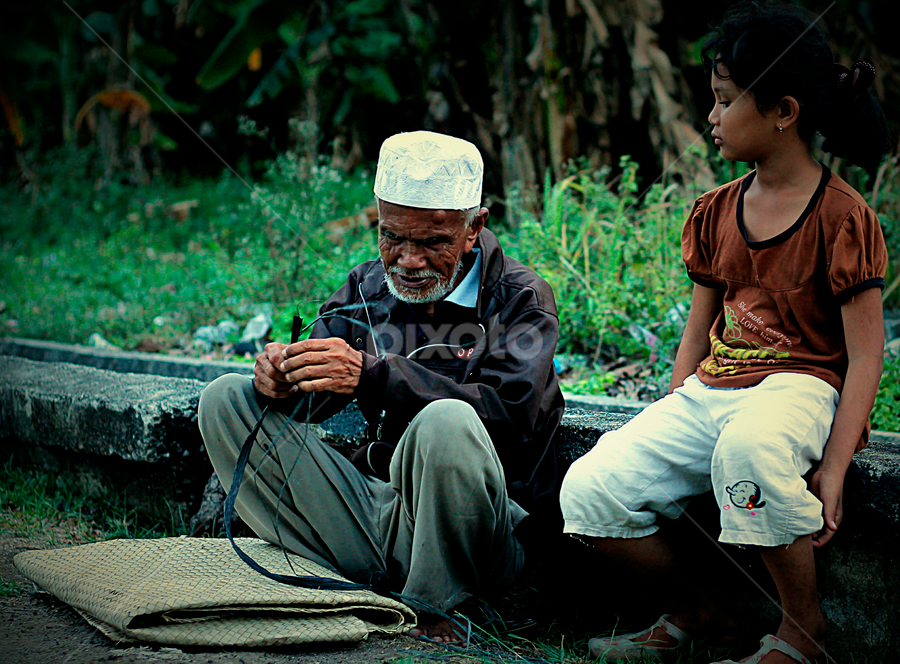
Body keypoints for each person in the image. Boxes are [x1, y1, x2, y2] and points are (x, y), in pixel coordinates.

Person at [560, 3, 888, 663]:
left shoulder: (842, 217)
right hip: (714, 389)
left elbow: (865, 352)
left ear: (783, 112)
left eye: (724, 101)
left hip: (799, 387)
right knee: (591, 488)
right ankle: (699, 614)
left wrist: (834, 464)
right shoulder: (715, 211)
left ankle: (804, 632)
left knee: (749, 450)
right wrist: (677, 405)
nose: (710, 117)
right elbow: (698, 326)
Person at [199, 130, 565, 643]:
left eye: (433, 242)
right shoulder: (368, 285)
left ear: (474, 228)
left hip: (483, 532)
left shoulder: (521, 297)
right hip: (382, 514)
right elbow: (316, 390)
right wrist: (281, 379)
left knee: (446, 421)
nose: (408, 260)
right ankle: (368, 577)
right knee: (226, 398)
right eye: (392, 236)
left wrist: (374, 374)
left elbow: (511, 418)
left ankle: (440, 604)